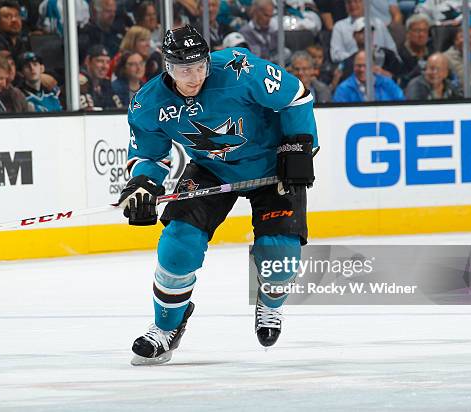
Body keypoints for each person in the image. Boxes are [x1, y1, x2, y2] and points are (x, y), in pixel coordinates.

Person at [119, 25, 318, 365]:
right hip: (213, 169)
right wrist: (143, 184)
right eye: (184, 69)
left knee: (279, 260)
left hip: (272, 167)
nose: (193, 76)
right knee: (178, 247)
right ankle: (167, 326)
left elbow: (295, 95)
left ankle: (269, 304)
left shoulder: (240, 69)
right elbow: (149, 156)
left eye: (199, 66)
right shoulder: (148, 104)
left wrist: (298, 145)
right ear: (167, 67)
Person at [330, 0, 398, 63]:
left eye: (356, 1)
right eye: (349, 2)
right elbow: (335, 55)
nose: (352, 5)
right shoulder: (339, 26)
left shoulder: (378, 24)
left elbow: (392, 49)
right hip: (353, 67)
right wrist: (359, 57)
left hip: (379, 67)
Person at [333, 50, 405, 102]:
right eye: (358, 66)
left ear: (373, 66)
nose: (362, 69)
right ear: (353, 66)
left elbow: (402, 103)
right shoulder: (344, 89)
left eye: (365, 66)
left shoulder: (387, 84)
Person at [80, 45, 122, 110]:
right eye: (100, 61)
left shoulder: (106, 84)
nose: (105, 67)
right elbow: (88, 114)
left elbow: (118, 110)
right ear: (87, 61)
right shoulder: (80, 83)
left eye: (108, 62)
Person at [397, 14, 432, 87]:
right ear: (407, 33)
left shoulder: (432, 52)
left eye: (425, 31)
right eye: (417, 31)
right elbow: (400, 82)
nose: (421, 35)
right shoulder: (398, 55)